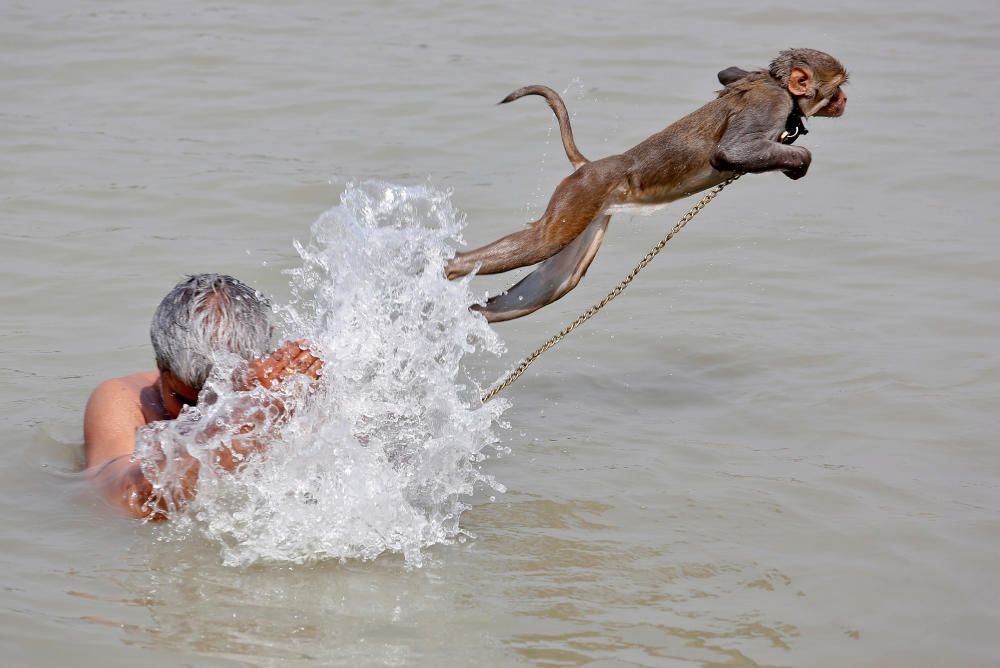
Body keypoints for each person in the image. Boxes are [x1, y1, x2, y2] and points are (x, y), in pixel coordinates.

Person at [84, 274, 323, 519]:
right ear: (161, 368)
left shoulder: (287, 390)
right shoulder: (127, 399)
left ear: (263, 361)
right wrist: (246, 415)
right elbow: (132, 499)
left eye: (225, 398)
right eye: (188, 402)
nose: (204, 414)